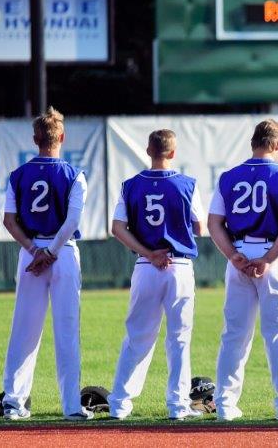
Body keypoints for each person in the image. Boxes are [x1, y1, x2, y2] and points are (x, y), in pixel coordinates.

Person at [208, 119, 278, 421]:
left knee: (234, 334)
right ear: (277, 144)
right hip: (273, 256)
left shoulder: (228, 177)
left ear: (254, 142)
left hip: (239, 254)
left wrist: (232, 255)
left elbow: (214, 222)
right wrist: (268, 258)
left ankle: (226, 405)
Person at [108, 130, 205, 420]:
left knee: (137, 336)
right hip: (179, 266)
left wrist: (150, 253)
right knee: (179, 339)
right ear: (173, 153)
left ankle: (120, 404)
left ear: (148, 150)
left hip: (146, 266)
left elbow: (117, 228)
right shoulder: (187, 184)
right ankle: (177, 406)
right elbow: (200, 228)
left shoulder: (130, 185)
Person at [2, 108, 90, 420]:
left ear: (35, 139)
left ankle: (13, 402)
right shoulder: (74, 174)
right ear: (61, 137)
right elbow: (73, 220)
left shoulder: (18, 175)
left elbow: (9, 221)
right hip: (62, 252)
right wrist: (51, 251)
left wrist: (34, 249)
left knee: (24, 329)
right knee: (67, 330)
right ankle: (70, 407)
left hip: (30, 255)